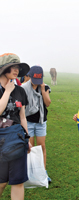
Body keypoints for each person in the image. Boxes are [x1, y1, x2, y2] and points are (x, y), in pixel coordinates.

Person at [0, 53, 31, 199]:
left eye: (17, 67)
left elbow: (22, 116)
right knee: (1, 181)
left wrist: (27, 137)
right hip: (1, 140)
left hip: (17, 138)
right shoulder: (4, 90)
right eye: (12, 67)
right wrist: (7, 91)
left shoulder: (21, 90)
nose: (16, 70)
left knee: (18, 181)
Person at [21, 65, 52, 183]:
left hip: (41, 122)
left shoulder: (45, 87)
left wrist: (43, 90)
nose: (36, 83)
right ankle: (31, 172)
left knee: (41, 147)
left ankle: (43, 172)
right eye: (35, 80)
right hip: (28, 121)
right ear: (29, 76)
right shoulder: (23, 88)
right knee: (30, 147)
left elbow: (48, 103)